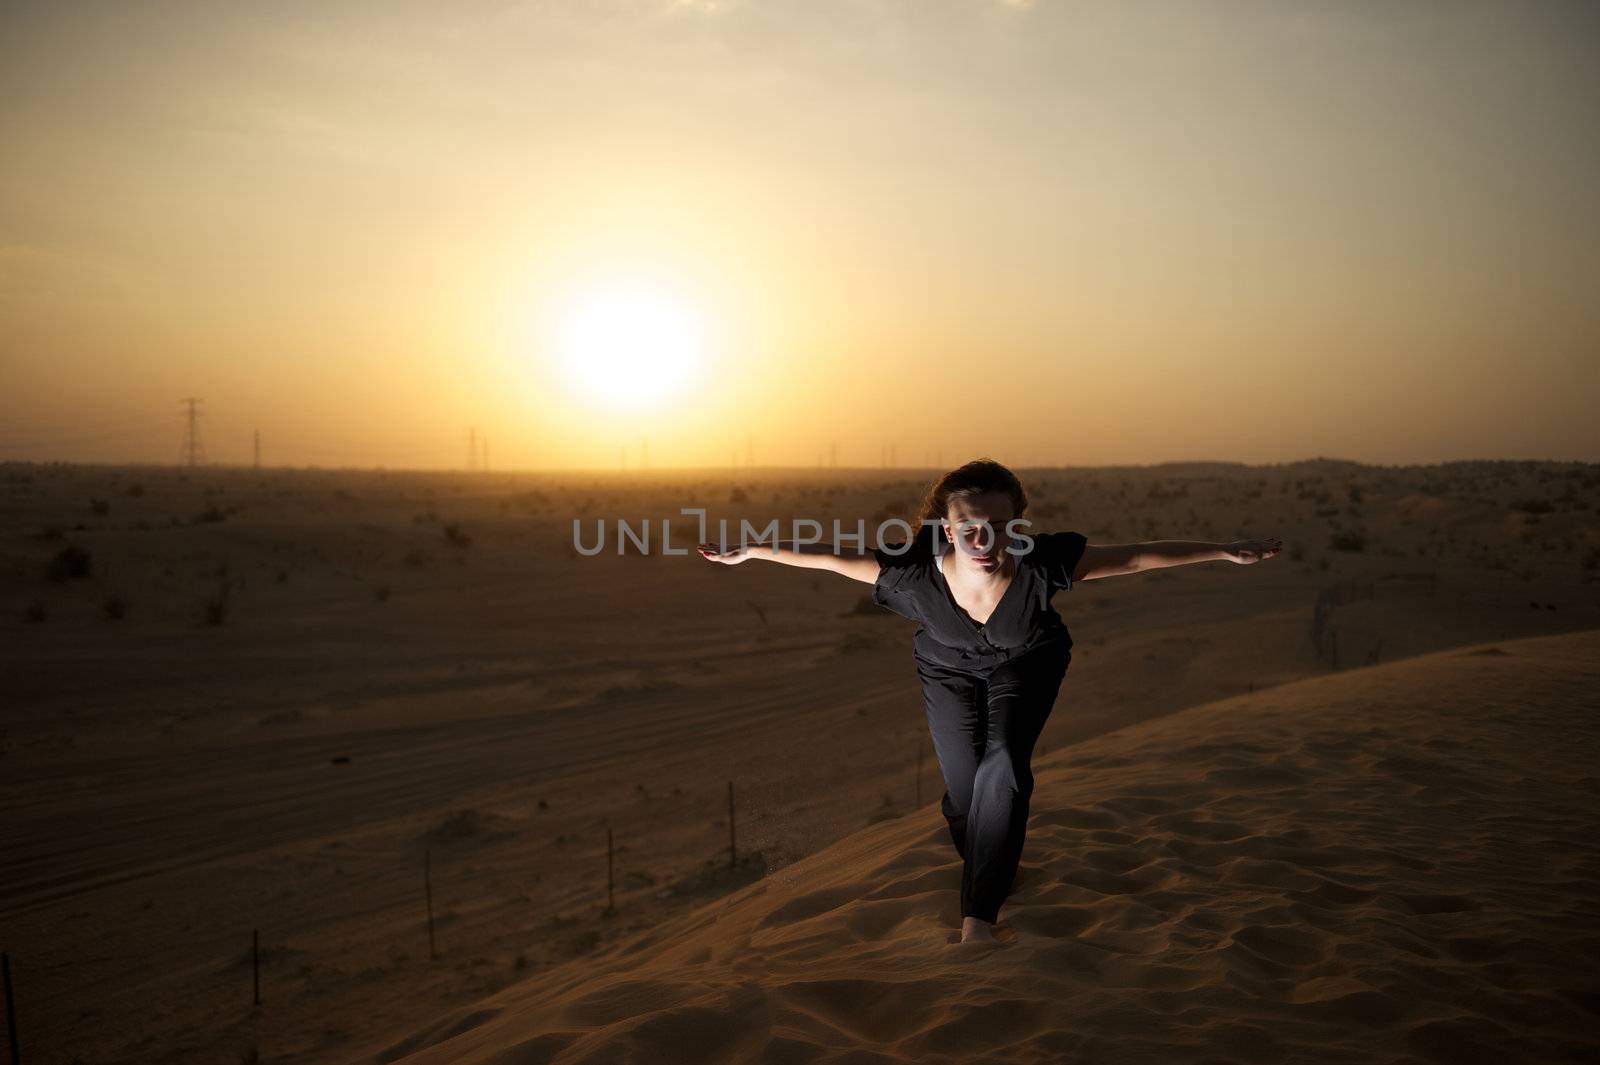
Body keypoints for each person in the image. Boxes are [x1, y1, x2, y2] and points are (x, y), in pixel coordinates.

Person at [698, 458, 1282, 943]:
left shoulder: (1043, 563)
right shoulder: (909, 574)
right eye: (969, 527)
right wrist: (752, 551)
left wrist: (1225, 550)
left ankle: (978, 915)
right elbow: (825, 555)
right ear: (946, 530)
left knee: (1001, 766)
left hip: (1028, 662)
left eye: (1000, 526)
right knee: (962, 792)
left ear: (1018, 526)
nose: (985, 540)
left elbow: (1131, 556)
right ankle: (992, 862)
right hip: (946, 671)